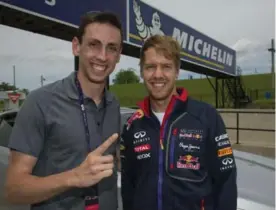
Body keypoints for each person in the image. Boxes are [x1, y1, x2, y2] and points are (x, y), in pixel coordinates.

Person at [4, 11, 123, 210]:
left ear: (118, 55)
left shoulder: (114, 105)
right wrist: (74, 176)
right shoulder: (40, 102)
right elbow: (13, 189)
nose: (103, 56)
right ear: (76, 46)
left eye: (111, 48)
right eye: (94, 44)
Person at [120, 35, 237, 210]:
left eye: (166, 67)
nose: (158, 74)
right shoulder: (132, 125)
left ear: (177, 71)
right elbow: (128, 188)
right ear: (142, 71)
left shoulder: (206, 117)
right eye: (150, 67)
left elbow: (225, 182)